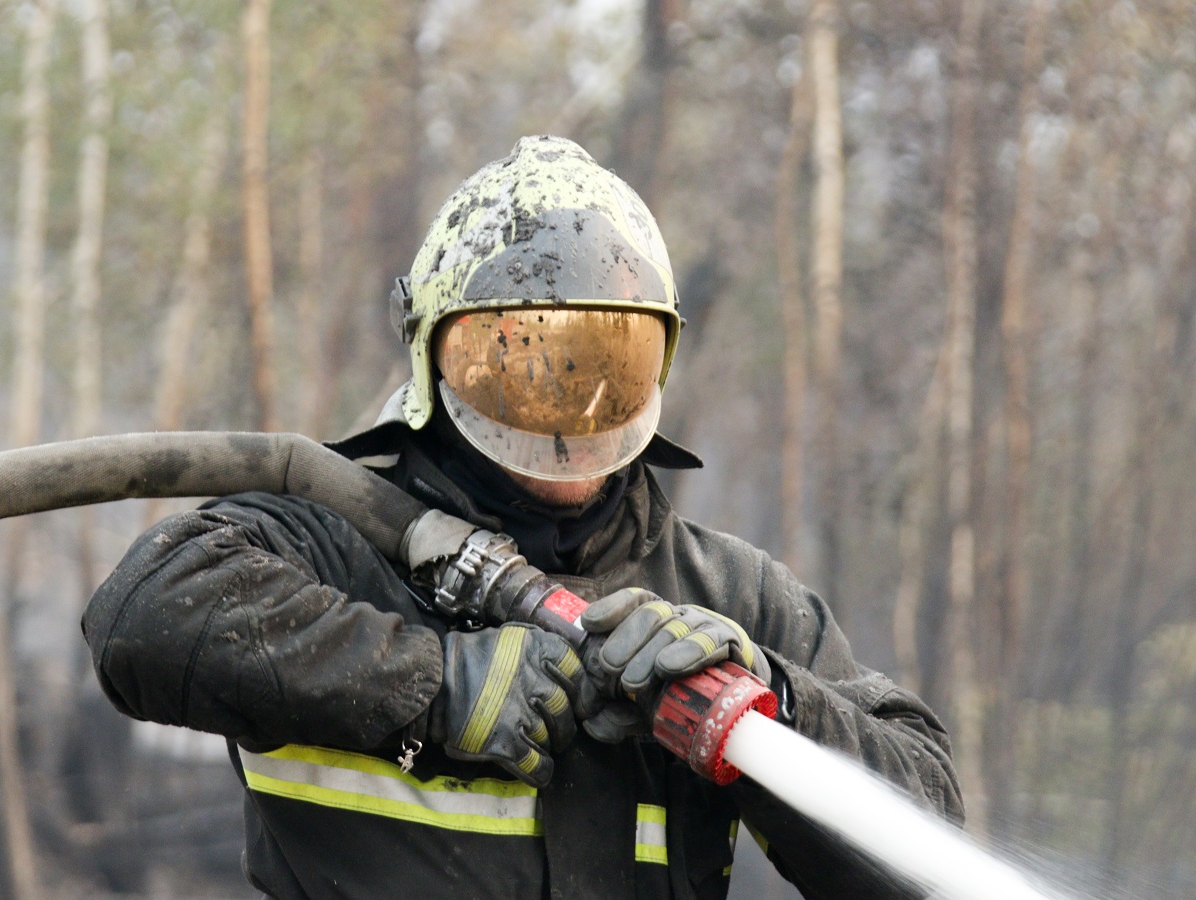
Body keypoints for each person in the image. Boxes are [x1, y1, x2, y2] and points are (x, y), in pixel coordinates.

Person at [83, 135, 963, 900]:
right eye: (518, 360)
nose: (565, 412)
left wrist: (772, 704)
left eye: (603, 365)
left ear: (658, 364)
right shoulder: (328, 540)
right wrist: (438, 683)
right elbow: (141, 615)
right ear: (435, 353)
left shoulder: (730, 601)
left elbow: (925, 846)